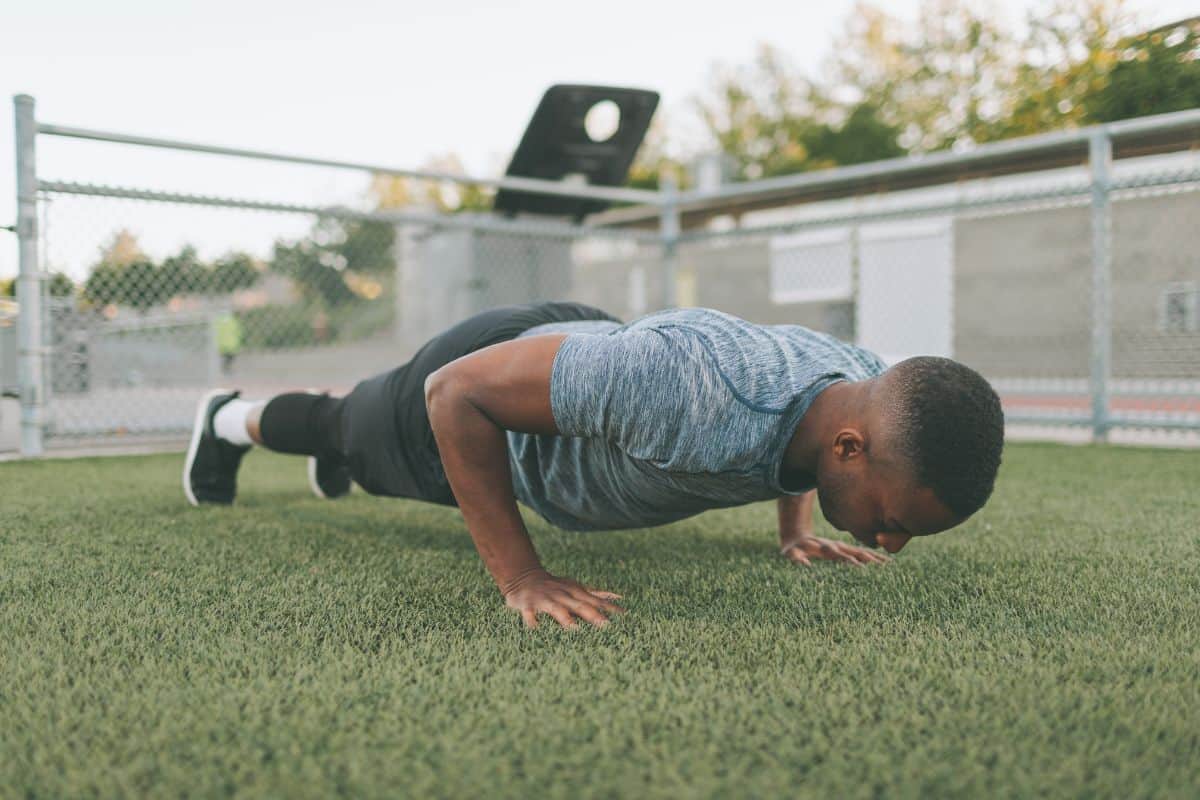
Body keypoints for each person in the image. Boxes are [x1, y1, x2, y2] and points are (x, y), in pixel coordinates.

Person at [184, 300, 1004, 630]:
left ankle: (346, 442)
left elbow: (801, 434)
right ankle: (226, 419)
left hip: (592, 361)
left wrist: (795, 529)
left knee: (357, 432)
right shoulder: (690, 393)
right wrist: (521, 577)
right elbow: (455, 394)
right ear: (852, 451)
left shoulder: (855, 389)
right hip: (487, 382)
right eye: (893, 521)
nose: (889, 544)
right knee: (348, 425)